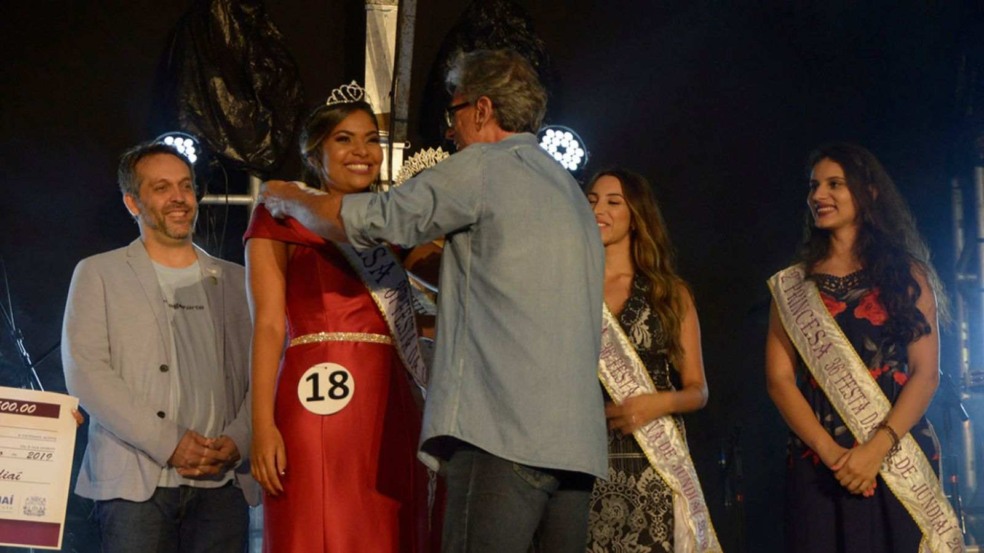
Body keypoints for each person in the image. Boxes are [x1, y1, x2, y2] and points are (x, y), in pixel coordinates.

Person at [261, 49, 607, 552]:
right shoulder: (570, 192)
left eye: (456, 113)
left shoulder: (483, 166)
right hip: (575, 451)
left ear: (483, 110)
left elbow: (368, 220)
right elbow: (502, 281)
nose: (450, 132)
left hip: (502, 436)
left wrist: (288, 198)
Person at [245, 85, 432, 552]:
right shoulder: (279, 218)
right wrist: (261, 424)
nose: (362, 152)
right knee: (314, 524)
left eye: (371, 139)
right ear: (315, 152)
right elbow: (268, 326)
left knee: (385, 527)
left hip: (389, 400)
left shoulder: (397, 226)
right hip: (311, 398)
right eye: (344, 139)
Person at [765, 143, 963, 552]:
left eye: (834, 184)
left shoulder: (908, 275)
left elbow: (926, 375)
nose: (818, 196)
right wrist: (832, 453)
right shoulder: (793, 286)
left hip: (897, 453)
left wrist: (875, 449)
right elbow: (779, 379)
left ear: (869, 192)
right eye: (814, 186)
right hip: (820, 462)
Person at [62, 141, 257, 552]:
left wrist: (240, 437)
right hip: (134, 488)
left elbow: (263, 371)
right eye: (162, 188)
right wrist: (168, 443)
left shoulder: (237, 280)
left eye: (185, 186)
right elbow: (87, 372)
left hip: (221, 486)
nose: (179, 199)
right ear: (132, 203)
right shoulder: (99, 273)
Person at [585, 169, 719, 552]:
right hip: (584, 458)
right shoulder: (571, 286)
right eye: (592, 200)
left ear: (636, 217)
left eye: (614, 202)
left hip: (652, 461)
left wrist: (656, 403)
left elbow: (698, 390)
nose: (599, 209)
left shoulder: (668, 292)